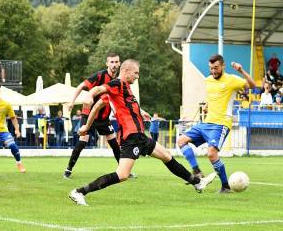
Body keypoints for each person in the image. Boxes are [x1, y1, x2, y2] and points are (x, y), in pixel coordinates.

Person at [69, 59, 216, 206]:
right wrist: (89, 95)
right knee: (122, 175)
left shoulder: (124, 87)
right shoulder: (117, 84)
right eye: (136, 73)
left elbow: (100, 106)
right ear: (126, 71)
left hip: (139, 135)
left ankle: (198, 182)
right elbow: (98, 90)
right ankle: (79, 192)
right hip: (131, 136)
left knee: (166, 156)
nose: (137, 76)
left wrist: (141, 112)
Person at [177, 54, 256, 194]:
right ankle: (197, 171)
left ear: (223, 66)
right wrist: (208, 106)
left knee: (211, 153)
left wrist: (241, 70)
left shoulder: (232, 80)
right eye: (211, 68)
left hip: (221, 123)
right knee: (181, 141)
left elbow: (253, 85)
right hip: (206, 122)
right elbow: (212, 96)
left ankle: (225, 186)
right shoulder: (208, 80)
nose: (213, 71)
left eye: (216, 68)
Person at [64, 53, 122, 179]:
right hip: (88, 114)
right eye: (111, 62)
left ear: (119, 64)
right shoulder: (100, 75)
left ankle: (123, 170)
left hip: (104, 118)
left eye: (116, 62)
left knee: (114, 143)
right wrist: (72, 102)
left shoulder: (118, 81)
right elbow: (81, 86)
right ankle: (68, 169)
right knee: (82, 142)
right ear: (107, 63)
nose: (114, 64)